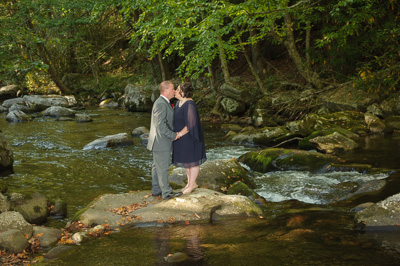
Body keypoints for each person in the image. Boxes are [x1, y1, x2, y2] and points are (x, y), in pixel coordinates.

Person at [147, 81, 182, 200]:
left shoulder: (163, 102)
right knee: (163, 167)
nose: (174, 91)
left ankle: (156, 190)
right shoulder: (161, 103)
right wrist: (173, 135)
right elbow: (160, 125)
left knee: (157, 167)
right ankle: (166, 193)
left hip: (158, 141)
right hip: (161, 141)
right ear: (166, 90)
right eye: (173, 89)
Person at [173, 82, 207, 194]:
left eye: (177, 90)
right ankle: (190, 183)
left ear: (183, 93)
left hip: (191, 137)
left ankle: (192, 184)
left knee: (193, 161)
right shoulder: (178, 102)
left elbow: (191, 124)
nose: (175, 91)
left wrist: (179, 134)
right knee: (187, 162)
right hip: (181, 138)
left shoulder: (190, 104)